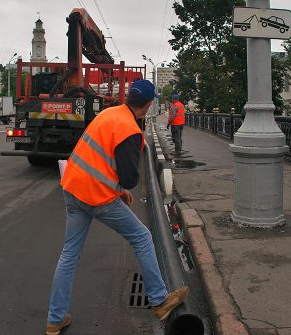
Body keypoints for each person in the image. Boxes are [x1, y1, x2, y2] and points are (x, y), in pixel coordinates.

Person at [45, 79, 189, 335]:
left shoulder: (110, 113)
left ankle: (55, 319)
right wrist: (122, 187)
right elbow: (130, 178)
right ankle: (159, 301)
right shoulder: (130, 131)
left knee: (69, 254)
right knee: (143, 237)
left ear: (128, 99)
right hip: (97, 197)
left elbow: (101, 158)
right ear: (147, 105)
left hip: (72, 187)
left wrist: (118, 190)